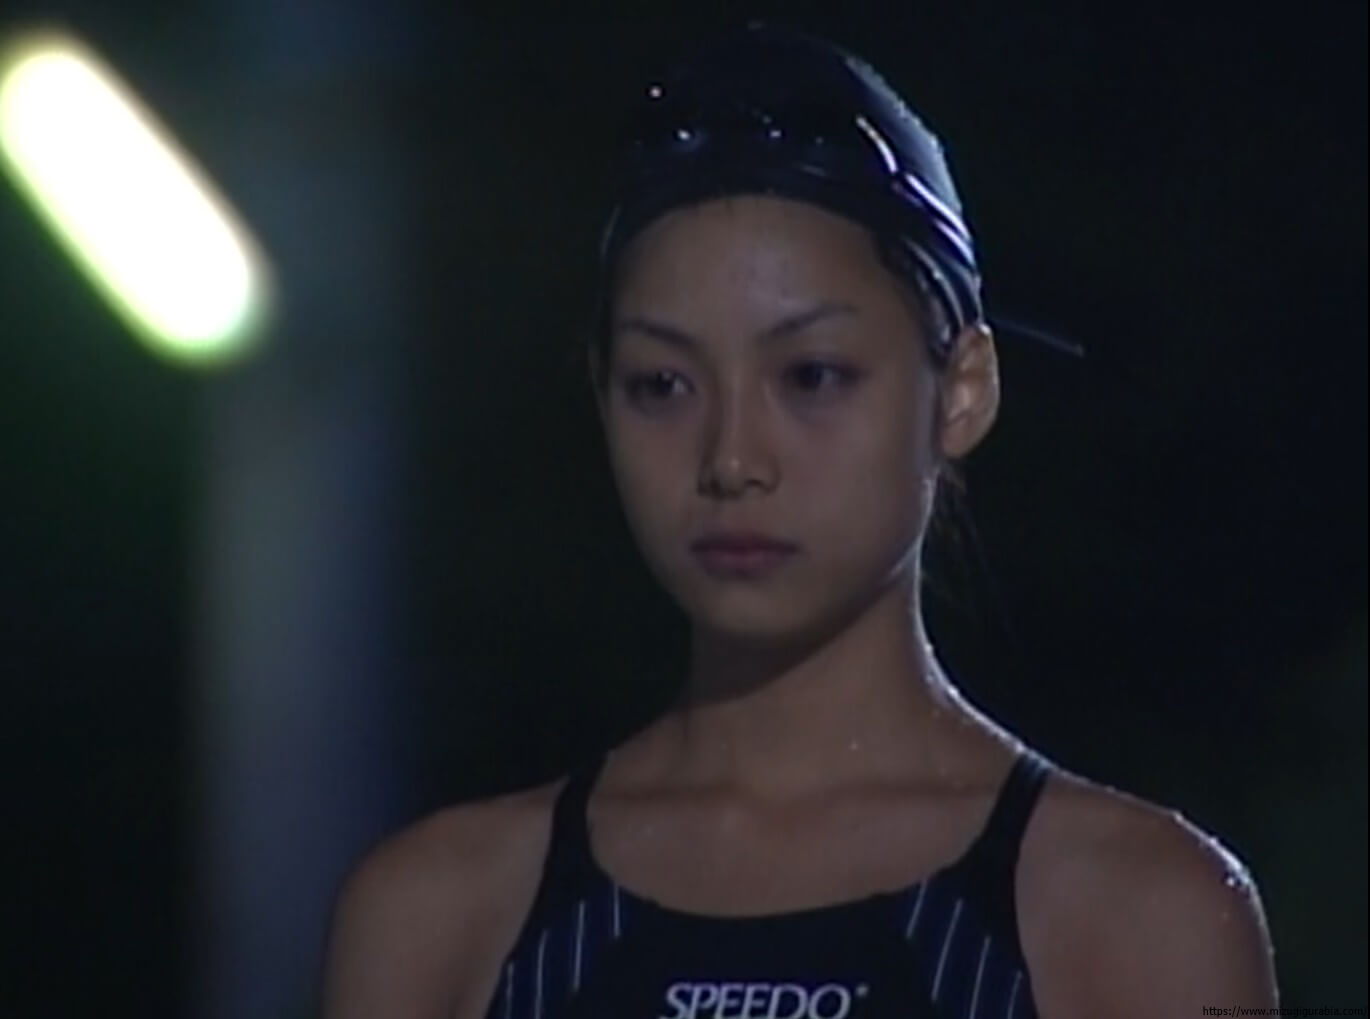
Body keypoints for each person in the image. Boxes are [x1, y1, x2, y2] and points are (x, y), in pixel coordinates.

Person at [321, 21, 1278, 1018]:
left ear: (961, 391)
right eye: (662, 384)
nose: (731, 458)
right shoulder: (441, 916)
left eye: (812, 375)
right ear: (599, 395)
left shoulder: (1133, 915)